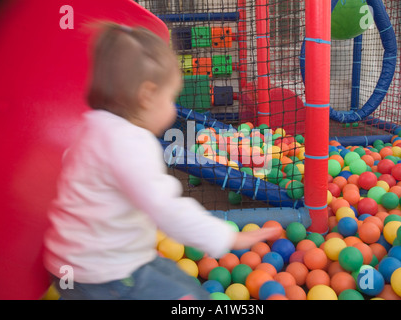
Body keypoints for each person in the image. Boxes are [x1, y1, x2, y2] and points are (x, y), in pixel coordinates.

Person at [43, 22, 281, 300]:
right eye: (170, 98)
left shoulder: (88, 127)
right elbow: (166, 209)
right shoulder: (131, 143)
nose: (172, 108)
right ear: (146, 96)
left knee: (182, 283)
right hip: (103, 273)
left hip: (74, 264)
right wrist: (226, 237)